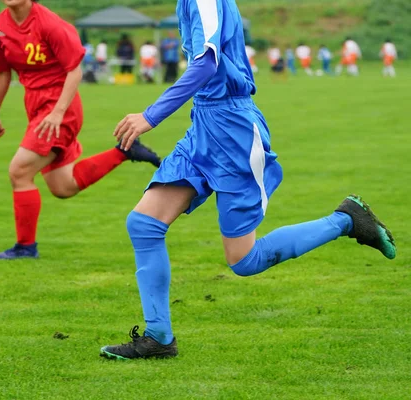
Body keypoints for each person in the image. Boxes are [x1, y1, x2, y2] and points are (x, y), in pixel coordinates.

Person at [100, 0, 396, 359]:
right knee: (144, 224)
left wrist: (151, 115)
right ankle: (158, 336)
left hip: (234, 132)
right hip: (204, 126)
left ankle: (346, 220)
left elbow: (207, 62)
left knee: (244, 260)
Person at [0, 0, 161, 260]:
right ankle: (124, 151)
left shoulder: (50, 24)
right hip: (36, 108)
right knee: (63, 186)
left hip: (60, 110)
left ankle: (26, 248)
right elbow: (2, 73)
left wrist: (57, 112)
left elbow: (74, 70)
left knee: (19, 171)